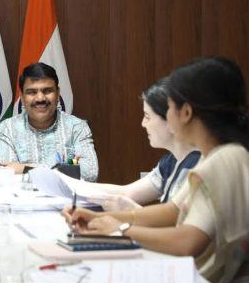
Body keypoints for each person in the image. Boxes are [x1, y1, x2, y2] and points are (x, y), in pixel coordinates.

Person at [63, 56, 249, 283]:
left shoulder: (227, 158)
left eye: (169, 107)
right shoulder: (215, 155)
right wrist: (100, 220)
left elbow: (187, 242)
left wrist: (119, 230)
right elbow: (172, 211)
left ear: (186, 112)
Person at [63, 78, 200, 211]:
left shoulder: (196, 164)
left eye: (147, 117)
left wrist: (132, 210)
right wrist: (69, 184)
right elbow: (128, 192)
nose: (143, 124)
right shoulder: (171, 161)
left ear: (171, 117)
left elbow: (179, 225)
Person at [0, 62, 98, 181]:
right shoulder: (8, 128)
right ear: (22, 98)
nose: (40, 98)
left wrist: (25, 169)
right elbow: (7, 174)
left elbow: (90, 172)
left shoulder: (77, 127)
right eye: (31, 92)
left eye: (47, 91)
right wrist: (65, 169)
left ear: (58, 94)